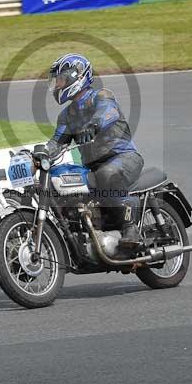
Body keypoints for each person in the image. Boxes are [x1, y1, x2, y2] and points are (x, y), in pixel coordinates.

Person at [43, 54, 145, 248]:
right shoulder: (66, 115)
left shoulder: (101, 95)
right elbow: (57, 141)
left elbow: (108, 111)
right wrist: (40, 154)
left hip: (123, 157)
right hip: (93, 168)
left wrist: (93, 125)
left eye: (61, 79)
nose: (57, 85)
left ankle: (130, 227)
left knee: (106, 175)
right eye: (56, 81)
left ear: (77, 76)